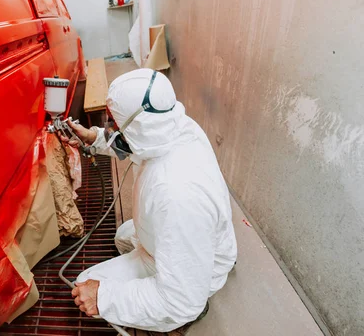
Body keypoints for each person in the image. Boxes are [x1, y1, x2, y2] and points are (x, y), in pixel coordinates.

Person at [59, 68, 237, 333]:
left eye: (115, 125)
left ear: (138, 127)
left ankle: (194, 308)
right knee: (122, 236)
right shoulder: (173, 125)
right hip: (190, 237)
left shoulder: (178, 194)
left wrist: (104, 297)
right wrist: (94, 138)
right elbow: (136, 141)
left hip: (190, 282)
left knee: (86, 286)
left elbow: (181, 300)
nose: (111, 129)